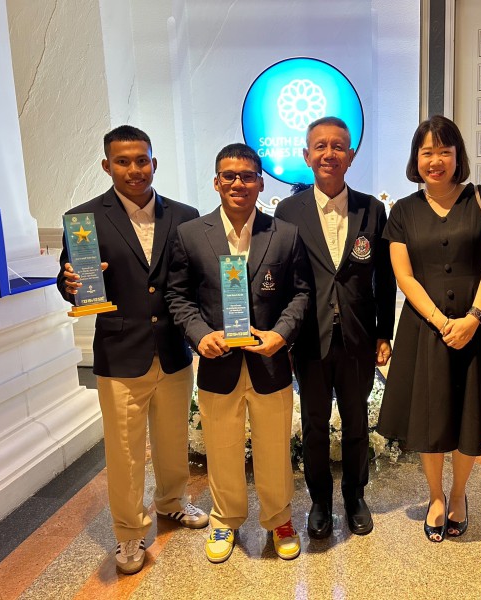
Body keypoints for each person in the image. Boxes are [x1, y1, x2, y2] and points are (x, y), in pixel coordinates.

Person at [57, 125, 207, 575]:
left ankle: (171, 502)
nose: (134, 169)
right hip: (120, 351)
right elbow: (70, 280)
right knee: (124, 450)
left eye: (142, 160)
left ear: (153, 163)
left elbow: (194, 280)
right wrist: (69, 284)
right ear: (107, 166)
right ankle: (128, 531)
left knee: (173, 437)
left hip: (173, 349)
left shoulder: (185, 216)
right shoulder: (83, 219)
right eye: (122, 161)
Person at [377, 115, 481, 543]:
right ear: (415, 159)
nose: (435, 160)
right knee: (431, 416)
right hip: (425, 329)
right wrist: (442, 322)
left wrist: (473, 318)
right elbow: (404, 276)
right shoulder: (403, 211)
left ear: (458, 156)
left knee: (468, 414)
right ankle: (436, 496)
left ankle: (459, 494)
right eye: (427, 152)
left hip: (478, 327)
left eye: (444, 151)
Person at [166, 143, 311, 563]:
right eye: (229, 176)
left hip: (269, 361)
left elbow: (301, 295)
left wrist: (281, 335)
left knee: (274, 448)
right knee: (222, 447)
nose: (238, 183)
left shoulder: (284, 234)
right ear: (216, 182)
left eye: (247, 176)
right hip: (218, 363)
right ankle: (225, 520)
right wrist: (199, 335)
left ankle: (279, 519)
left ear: (260, 183)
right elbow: (178, 296)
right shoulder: (191, 234)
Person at [275, 117, 396, 539]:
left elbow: (384, 277)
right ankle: (320, 501)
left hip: (358, 337)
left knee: (357, 421)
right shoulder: (288, 211)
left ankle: (355, 496)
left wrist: (384, 331)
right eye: (321, 146)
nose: (330, 154)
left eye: (338, 146)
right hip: (309, 337)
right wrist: (282, 332)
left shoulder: (372, 209)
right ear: (307, 155)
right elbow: (284, 276)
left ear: (351, 155)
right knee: (313, 424)